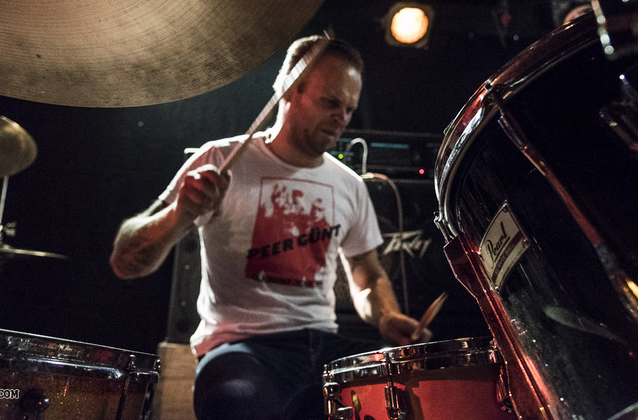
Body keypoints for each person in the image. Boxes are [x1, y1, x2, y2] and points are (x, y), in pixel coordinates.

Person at [110, 35, 431, 420]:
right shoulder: (220, 158)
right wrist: (180, 213)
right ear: (290, 91)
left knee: (414, 392)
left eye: (349, 109)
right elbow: (125, 261)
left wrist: (386, 314)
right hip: (242, 347)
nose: (342, 118)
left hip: (323, 346)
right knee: (238, 401)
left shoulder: (349, 185)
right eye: (330, 103)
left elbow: (368, 272)